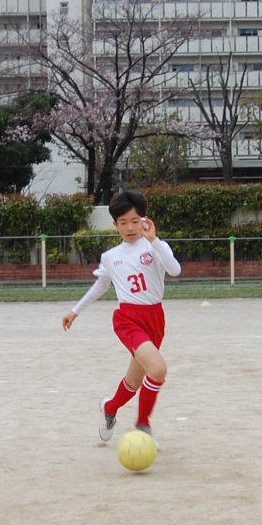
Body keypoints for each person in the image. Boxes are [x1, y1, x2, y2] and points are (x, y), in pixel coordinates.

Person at [61, 190, 181, 444]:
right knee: (158, 370)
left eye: (135, 221)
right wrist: (75, 310)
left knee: (133, 382)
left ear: (145, 220)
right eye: (123, 223)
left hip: (155, 319)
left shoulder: (156, 246)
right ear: (115, 225)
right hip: (128, 320)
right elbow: (101, 286)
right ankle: (143, 424)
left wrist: (155, 241)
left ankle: (110, 408)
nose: (129, 227)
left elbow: (175, 270)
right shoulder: (111, 256)